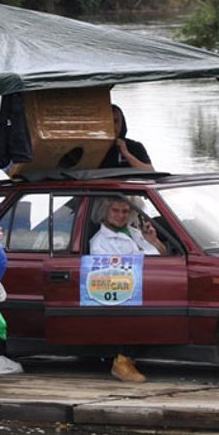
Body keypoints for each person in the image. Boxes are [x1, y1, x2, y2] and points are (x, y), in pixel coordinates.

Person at [89, 197, 167, 383]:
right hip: (124, 291)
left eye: (125, 211)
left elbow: (163, 256)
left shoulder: (136, 232)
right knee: (140, 312)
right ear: (105, 212)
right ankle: (122, 362)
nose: (120, 216)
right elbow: (107, 274)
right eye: (115, 210)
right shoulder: (99, 242)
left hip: (153, 284)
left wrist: (154, 241)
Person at [99, 104, 154, 171]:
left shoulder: (135, 146)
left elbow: (150, 170)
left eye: (116, 121)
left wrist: (126, 154)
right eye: (108, 121)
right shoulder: (90, 147)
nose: (112, 125)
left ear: (122, 123)